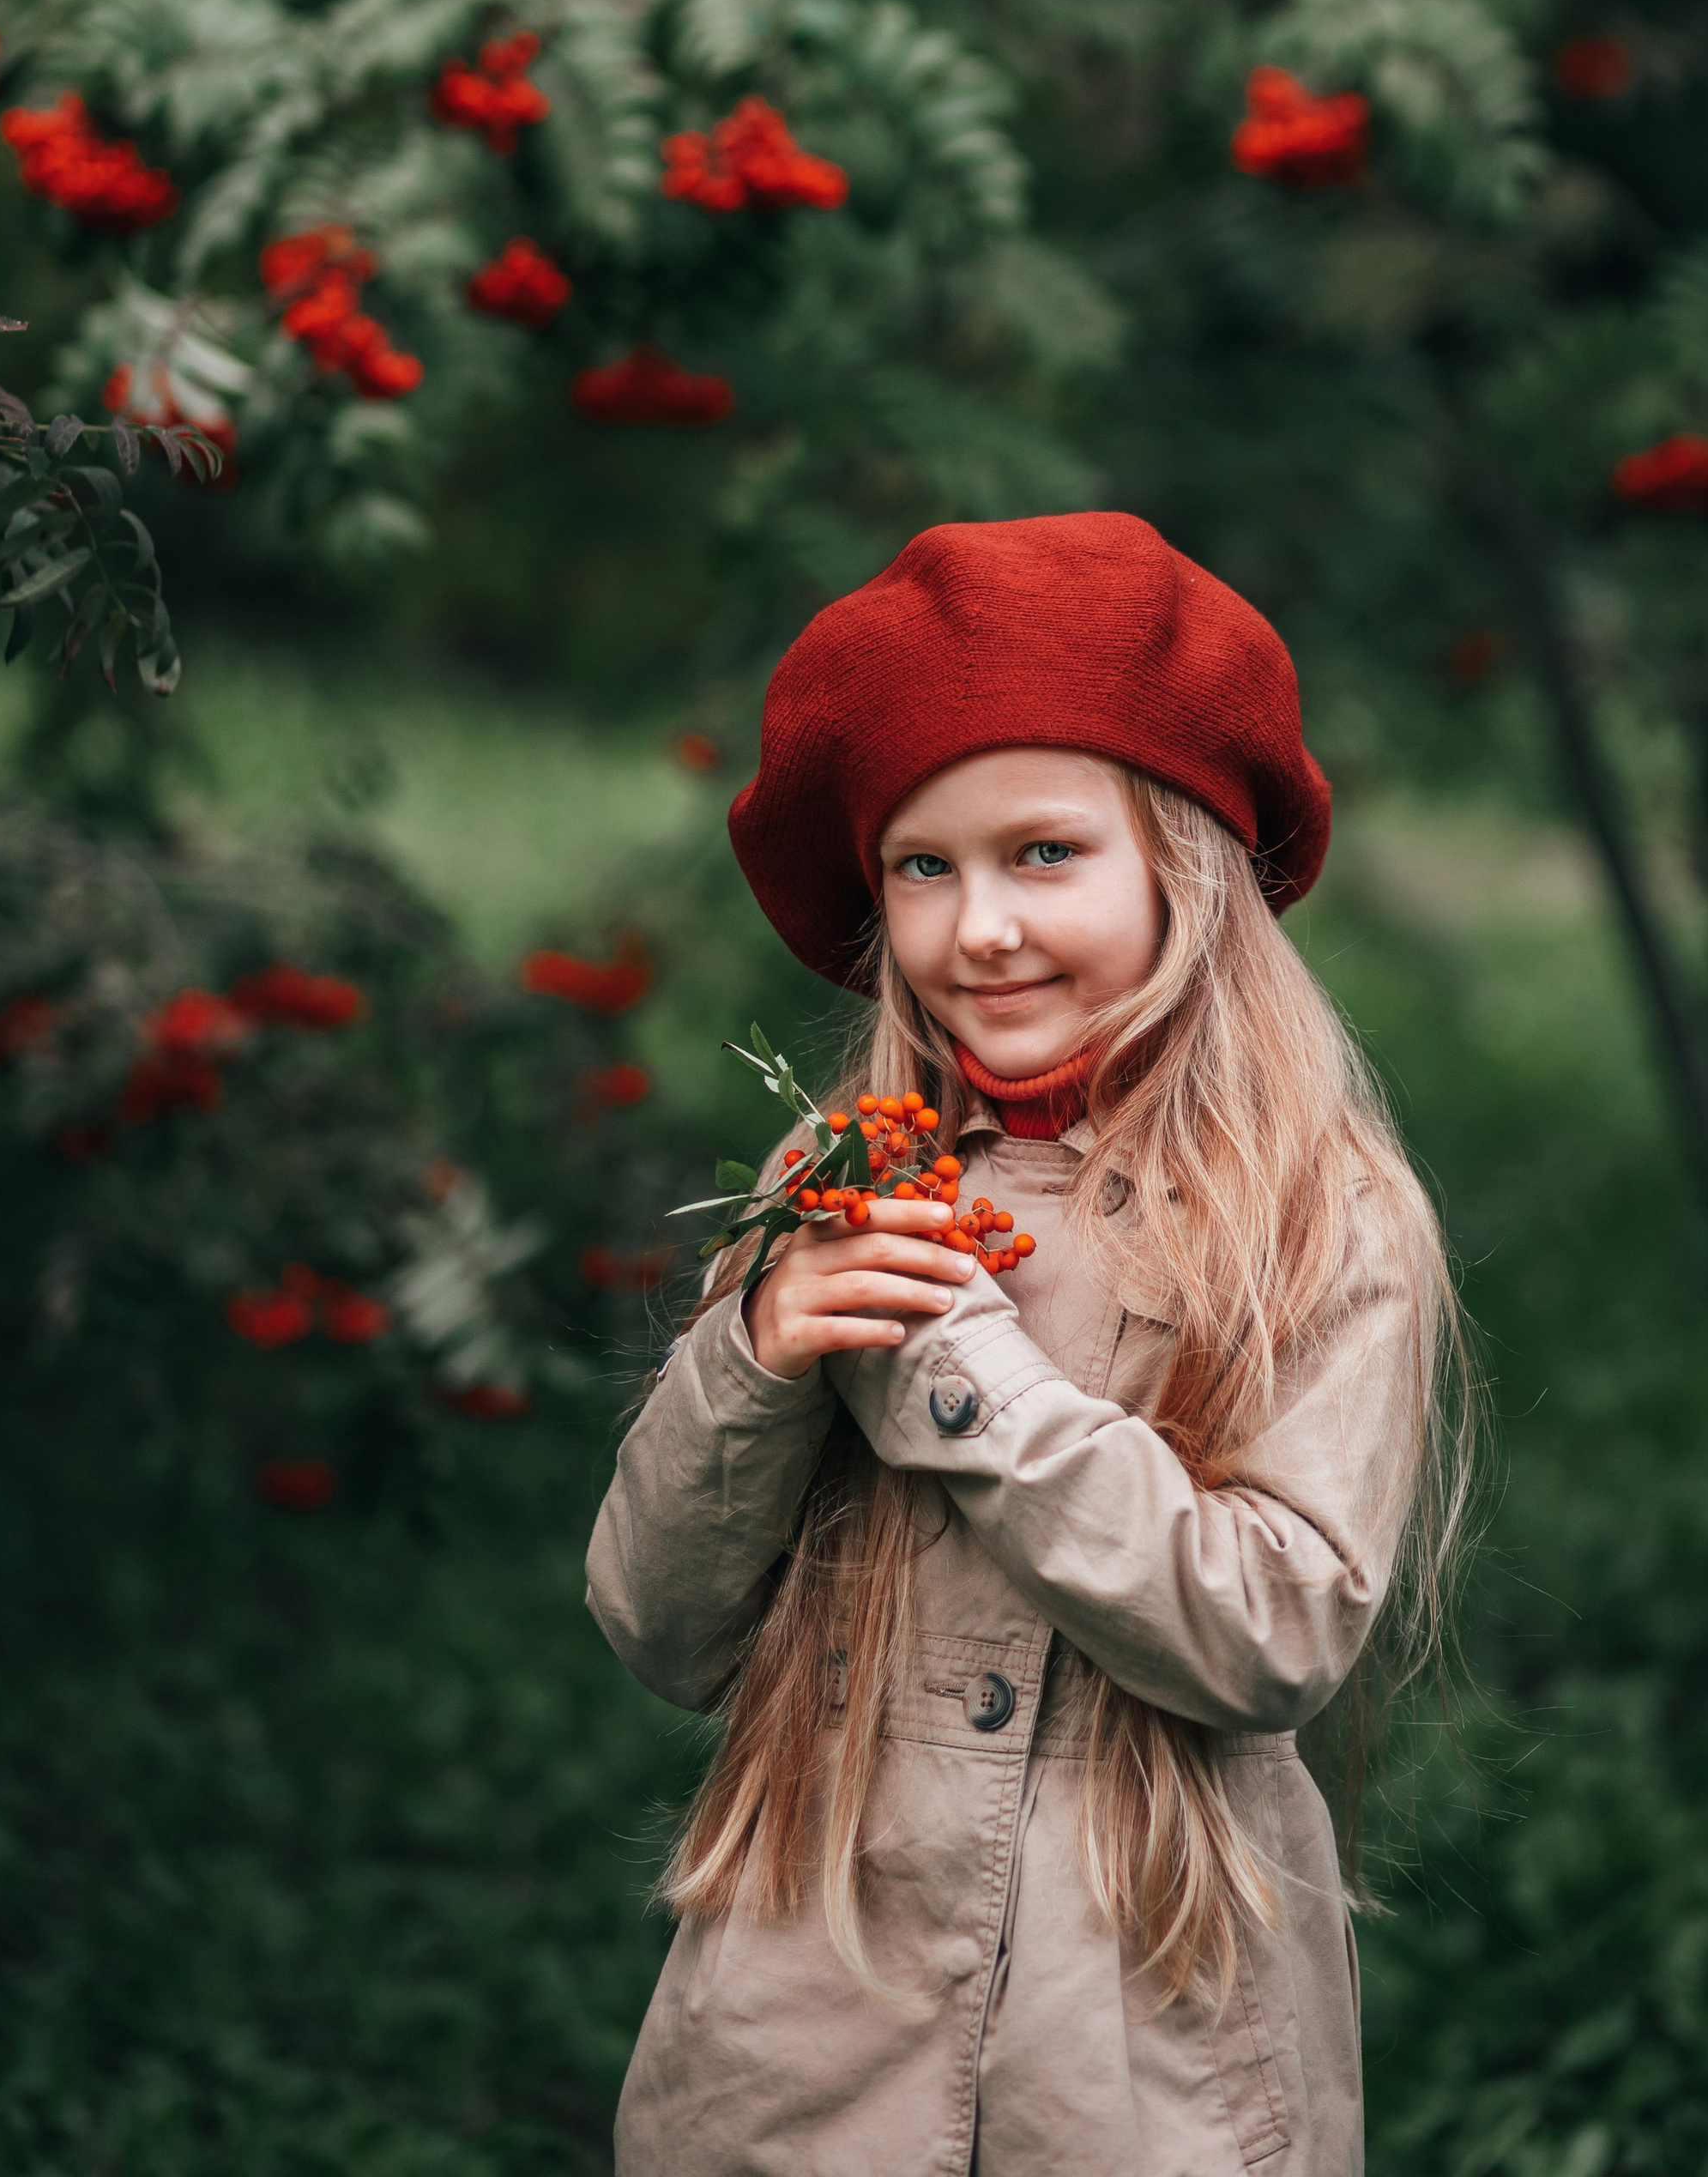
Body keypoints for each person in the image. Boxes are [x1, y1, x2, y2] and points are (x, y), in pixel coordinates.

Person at [586, 511, 1469, 2177]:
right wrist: (755, 1363)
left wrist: (959, 1368)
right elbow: (657, 1623)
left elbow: (1269, 1630)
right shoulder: (835, 1183)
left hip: (1143, 2053)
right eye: (923, 867)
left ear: (1185, 869)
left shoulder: (1313, 1219)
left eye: (1041, 855)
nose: (977, 927)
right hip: (802, 2036)